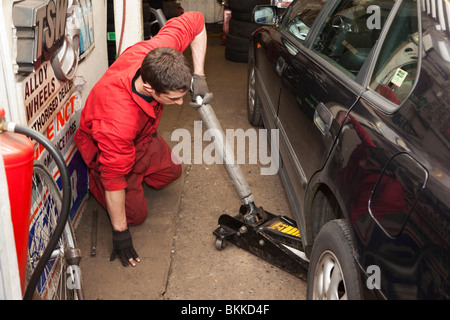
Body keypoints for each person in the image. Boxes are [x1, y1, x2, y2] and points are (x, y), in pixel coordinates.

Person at [74, 11, 210, 267]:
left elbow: (197, 20)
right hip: (114, 146)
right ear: (149, 88)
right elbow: (115, 179)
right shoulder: (118, 121)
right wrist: (120, 234)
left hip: (143, 135)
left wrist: (199, 76)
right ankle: (96, 180)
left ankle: (136, 174)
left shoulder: (159, 53)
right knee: (135, 216)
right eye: (173, 99)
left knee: (172, 172)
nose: (181, 103)